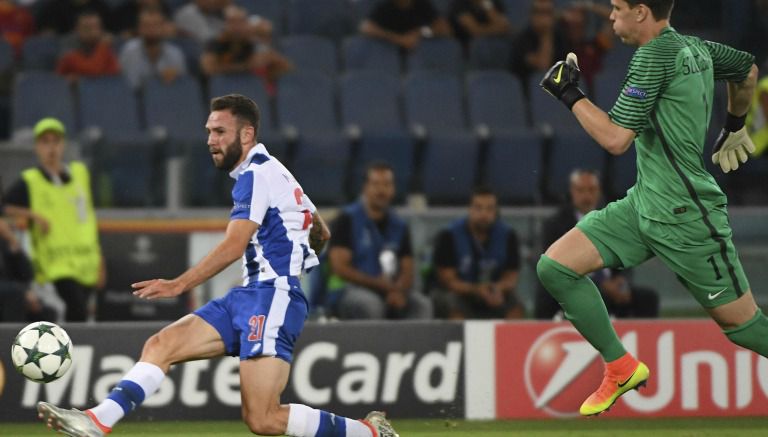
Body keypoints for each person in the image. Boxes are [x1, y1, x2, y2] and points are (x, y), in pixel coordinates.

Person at [36, 94, 400, 437]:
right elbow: (321, 231)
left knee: (263, 418)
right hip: (249, 295)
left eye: (220, 131)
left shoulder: (255, 176)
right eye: (209, 131)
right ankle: (98, 421)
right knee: (162, 344)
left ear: (247, 133)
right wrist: (295, 253)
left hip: (272, 297)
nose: (211, 139)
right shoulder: (274, 171)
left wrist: (180, 284)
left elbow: (233, 245)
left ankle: (367, 432)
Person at [537, 0, 764, 417]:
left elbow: (616, 139)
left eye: (617, 7)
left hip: (686, 216)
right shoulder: (695, 48)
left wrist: (568, 93)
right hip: (646, 203)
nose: (610, 17)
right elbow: (747, 70)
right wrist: (735, 124)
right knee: (556, 267)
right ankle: (620, 366)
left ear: (641, 12)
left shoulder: (653, 57)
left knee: (746, 328)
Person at [4, 117, 105, 322]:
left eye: (55, 141)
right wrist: (33, 215)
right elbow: (4, 206)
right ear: (37, 147)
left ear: (63, 144)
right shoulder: (30, 180)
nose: (51, 148)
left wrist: (100, 258)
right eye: (45, 142)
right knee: (75, 309)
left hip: (85, 260)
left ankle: (71, 351)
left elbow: (89, 219)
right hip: (55, 264)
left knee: (81, 314)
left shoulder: (80, 174)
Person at [534, 169, 659, 320]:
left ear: (599, 192)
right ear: (572, 192)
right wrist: (602, 285)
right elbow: (556, 267)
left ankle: (644, 341)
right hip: (577, 285)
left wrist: (622, 281)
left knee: (648, 298)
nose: (586, 196)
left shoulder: (613, 218)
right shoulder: (555, 225)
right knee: (596, 296)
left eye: (592, 190)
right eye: (581, 190)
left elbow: (627, 251)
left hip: (611, 284)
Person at [327, 162, 433, 320]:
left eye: (387, 184)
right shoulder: (347, 219)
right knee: (371, 305)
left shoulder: (400, 225)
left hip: (391, 290)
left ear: (393, 189)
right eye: (376, 184)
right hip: (351, 290)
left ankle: (416, 345)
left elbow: (408, 269)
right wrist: (382, 286)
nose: (381, 190)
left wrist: (399, 291)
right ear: (365, 188)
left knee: (422, 305)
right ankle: (370, 345)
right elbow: (340, 268)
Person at [431, 186, 525, 320]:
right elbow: (448, 281)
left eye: (489, 209)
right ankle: (460, 340)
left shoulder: (508, 235)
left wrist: (496, 289)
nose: (484, 214)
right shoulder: (449, 235)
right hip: (461, 293)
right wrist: (477, 290)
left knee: (516, 305)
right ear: (469, 209)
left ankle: (513, 341)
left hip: (494, 292)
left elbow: (511, 277)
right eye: (478, 208)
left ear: (496, 211)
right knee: (451, 303)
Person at [200, 5, 292, 93]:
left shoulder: (254, 43)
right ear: (225, 24)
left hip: (251, 92)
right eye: (232, 22)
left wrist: (270, 71)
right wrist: (245, 66)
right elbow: (208, 68)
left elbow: (285, 66)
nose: (237, 27)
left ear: (246, 24)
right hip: (221, 93)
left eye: (241, 22)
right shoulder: (215, 43)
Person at [119, 8, 187, 90]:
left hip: (166, 97)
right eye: (146, 25)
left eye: (156, 25)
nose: (151, 29)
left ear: (163, 28)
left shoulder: (175, 53)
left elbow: (182, 86)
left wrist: (176, 77)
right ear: (139, 28)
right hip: (134, 98)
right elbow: (128, 85)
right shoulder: (129, 51)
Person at [360, 0, 452, 51]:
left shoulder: (423, 5)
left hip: (419, 53)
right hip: (388, 53)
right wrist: (399, 39)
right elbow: (366, 28)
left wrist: (420, 33)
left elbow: (444, 28)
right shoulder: (385, 7)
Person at [55, 12, 120, 83]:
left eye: (95, 27)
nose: (92, 31)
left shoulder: (106, 49)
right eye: (87, 28)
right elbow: (92, 72)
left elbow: (114, 74)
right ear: (77, 29)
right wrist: (103, 46)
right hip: (74, 92)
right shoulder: (69, 48)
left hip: (103, 90)